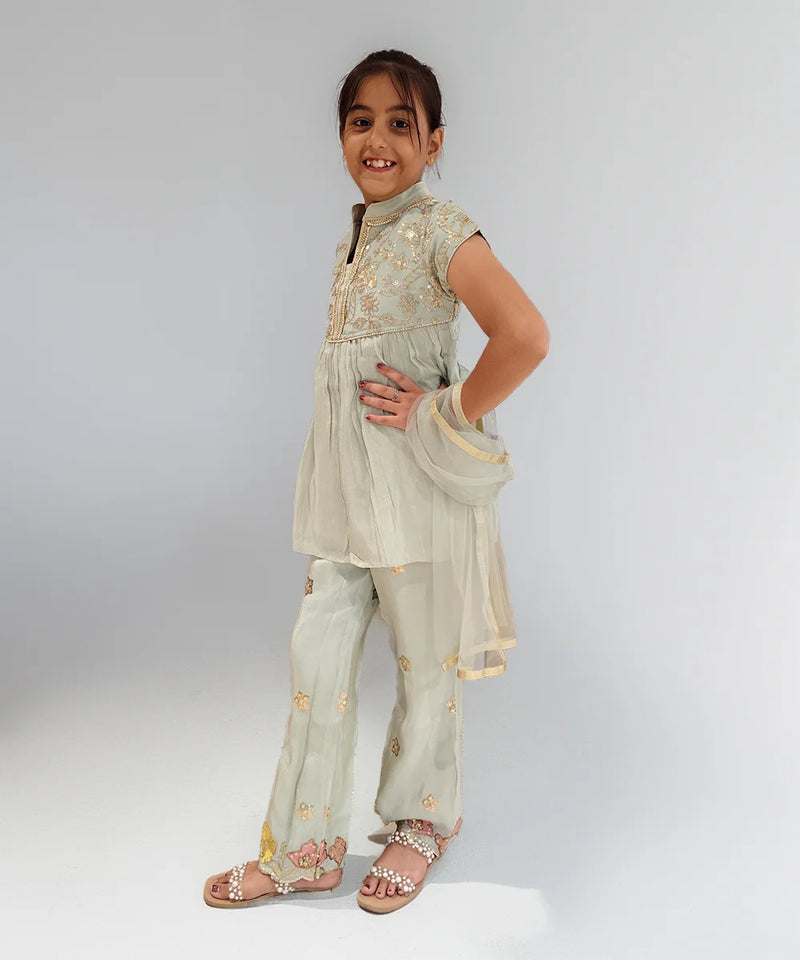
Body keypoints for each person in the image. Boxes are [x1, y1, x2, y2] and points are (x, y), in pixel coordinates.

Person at [203, 48, 548, 914]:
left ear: (435, 140)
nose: (380, 138)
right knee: (317, 654)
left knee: (425, 668)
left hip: (419, 490)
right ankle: (310, 846)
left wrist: (445, 409)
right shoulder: (358, 237)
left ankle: (421, 822)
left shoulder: (441, 228)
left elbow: (525, 335)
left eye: (402, 122)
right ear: (342, 137)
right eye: (363, 121)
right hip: (347, 500)